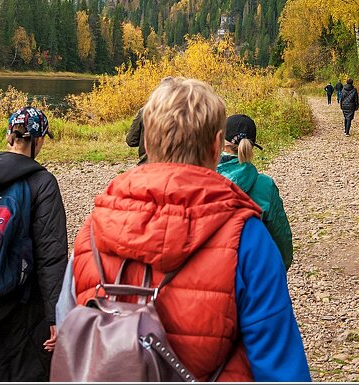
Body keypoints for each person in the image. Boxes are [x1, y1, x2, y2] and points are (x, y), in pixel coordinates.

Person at [56, 77, 311, 382]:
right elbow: (279, 366)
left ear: (147, 144)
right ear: (217, 146)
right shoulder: (249, 238)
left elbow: (69, 323)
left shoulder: (93, 229)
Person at [0, 106, 68, 383]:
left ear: (10, 136)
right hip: (17, 303)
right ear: (39, 140)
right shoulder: (42, 183)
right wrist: (56, 315)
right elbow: (51, 256)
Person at [217, 113, 293, 270]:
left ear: (220, 141)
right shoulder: (265, 186)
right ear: (251, 147)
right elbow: (280, 237)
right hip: (250, 274)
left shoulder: (200, 176)